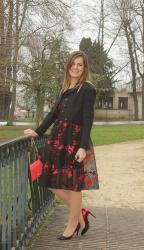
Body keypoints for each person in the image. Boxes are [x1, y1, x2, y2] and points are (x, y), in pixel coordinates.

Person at [24, 50, 99, 240]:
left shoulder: (88, 89)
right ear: (68, 66)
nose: (75, 67)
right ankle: (80, 213)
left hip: (74, 141)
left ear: (84, 68)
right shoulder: (65, 87)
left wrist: (82, 147)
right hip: (58, 139)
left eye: (80, 65)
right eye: (73, 64)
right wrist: (38, 131)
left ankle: (72, 224)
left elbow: (87, 119)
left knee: (74, 185)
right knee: (49, 179)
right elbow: (53, 115)